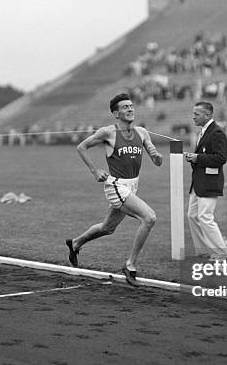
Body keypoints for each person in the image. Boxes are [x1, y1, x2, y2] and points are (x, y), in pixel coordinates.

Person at [65, 93, 163, 285]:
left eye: (132, 106)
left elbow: (157, 161)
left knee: (107, 228)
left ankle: (75, 243)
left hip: (132, 186)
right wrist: (95, 171)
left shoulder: (142, 132)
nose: (130, 109)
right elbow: (81, 147)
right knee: (149, 218)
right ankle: (130, 265)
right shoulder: (108, 132)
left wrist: (156, 155)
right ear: (116, 113)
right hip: (116, 185)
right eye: (125, 107)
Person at [184, 101, 227, 260]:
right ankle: (203, 249)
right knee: (192, 215)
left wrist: (198, 158)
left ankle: (221, 252)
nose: (193, 116)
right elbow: (205, 156)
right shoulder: (204, 131)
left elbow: (221, 158)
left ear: (207, 115)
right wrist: (195, 158)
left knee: (205, 217)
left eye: (196, 114)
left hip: (209, 182)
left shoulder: (216, 132)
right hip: (198, 182)